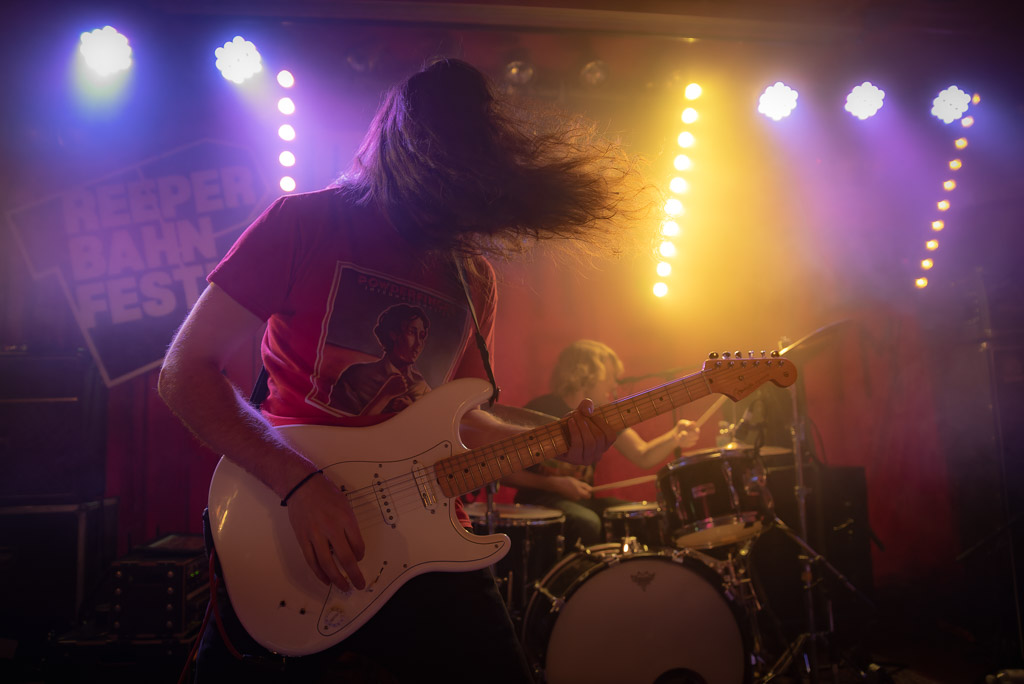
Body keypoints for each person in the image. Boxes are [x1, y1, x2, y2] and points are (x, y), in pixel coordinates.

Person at [158, 58, 654, 683]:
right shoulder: (303, 225)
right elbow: (184, 373)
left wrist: (560, 442)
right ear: (408, 157)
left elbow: (464, 421)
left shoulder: (472, 277)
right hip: (292, 520)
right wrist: (300, 484)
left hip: (427, 540)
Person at [502, 340, 700, 548]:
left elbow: (643, 454)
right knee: (586, 522)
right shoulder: (540, 410)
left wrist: (675, 436)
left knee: (642, 517)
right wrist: (552, 484)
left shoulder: (602, 414)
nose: (615, 385)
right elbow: (503, 471)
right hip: (539, 499)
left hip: (580, 502)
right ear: (587, 374)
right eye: (611, 377)